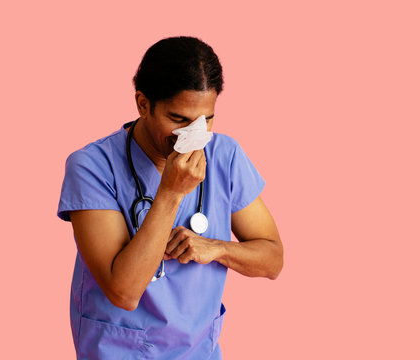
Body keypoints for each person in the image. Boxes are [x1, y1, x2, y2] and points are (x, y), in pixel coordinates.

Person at [57, 36, 283, 359]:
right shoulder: (92, 167)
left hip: (197, 352)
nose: (194, 135)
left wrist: (217, 248)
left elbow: (273, 259)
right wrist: (171, 192)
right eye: (178, 120)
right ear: (143, 104)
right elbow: (123, 291)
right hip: (118, 352)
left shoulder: (225, 156)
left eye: (206, 120)